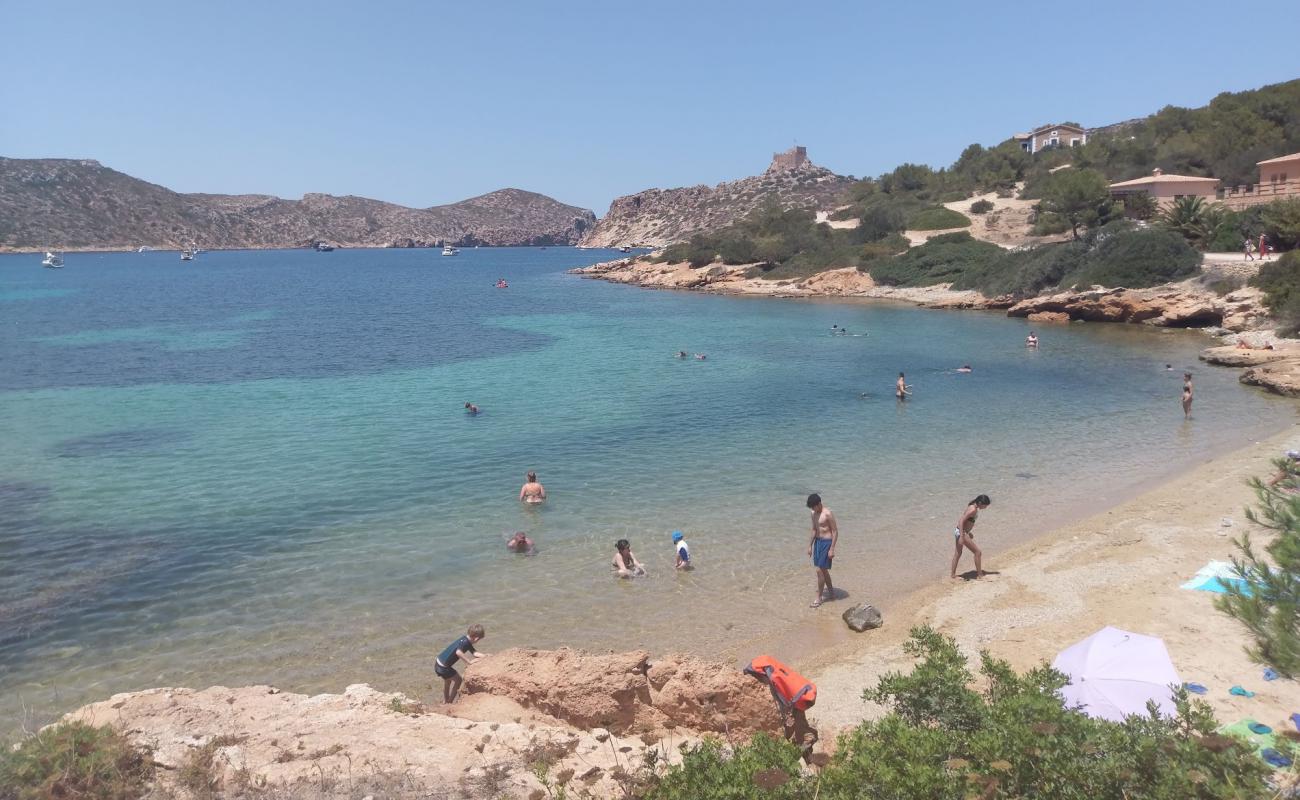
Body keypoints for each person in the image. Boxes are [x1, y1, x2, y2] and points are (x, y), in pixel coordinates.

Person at [435, 624, 486, 704]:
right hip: (444, 667)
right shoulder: (466, 642)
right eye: (479, 639)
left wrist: (486, 656)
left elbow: (475, 653)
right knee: (458, 680)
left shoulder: (464, 640)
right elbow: (458, 652)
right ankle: (450, 702)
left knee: (448, 681)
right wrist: (469, 662)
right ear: (476, 638)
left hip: (439, 663)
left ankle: (446, 700)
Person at [806, 493, 837, 607]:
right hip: (818, 543)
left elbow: (835, 531)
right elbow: (814, 529)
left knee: (819, 570)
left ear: (819, 504)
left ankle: (818, 598)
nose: (812, 509)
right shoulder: (813, 513)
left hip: (827, 543)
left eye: (813, 506)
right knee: (823, 570)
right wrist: (810, 545)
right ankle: (832, 593)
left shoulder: (827, 514)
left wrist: (832, 549)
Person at [951, 495, 990, 579]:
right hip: (962, 532)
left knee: (958, 554)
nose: (986, 507)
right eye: (985, 505)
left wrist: (969, 532)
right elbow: (961, 521)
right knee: (977, 552)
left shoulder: (972, 507)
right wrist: (962, 536)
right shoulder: (973, 509)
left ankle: (953, 575)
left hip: (961, 531)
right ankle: (980, 575)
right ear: (980, 503)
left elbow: (967, 521)